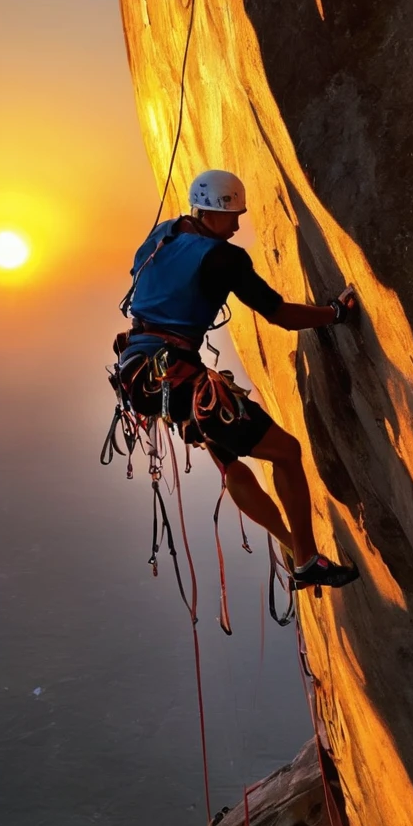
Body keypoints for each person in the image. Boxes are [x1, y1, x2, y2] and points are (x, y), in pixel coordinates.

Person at [115, 169, 359, 590]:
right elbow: (279, 314)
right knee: (286, 452)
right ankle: (305, 560)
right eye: (233, 216)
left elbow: (143, 278)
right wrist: (335, 314)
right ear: (212, 214)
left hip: (141, 370)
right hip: (176, 373)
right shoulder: (224, 259)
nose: (238, 224)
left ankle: (295, 550)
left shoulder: (165, 232)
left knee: (229, 459)